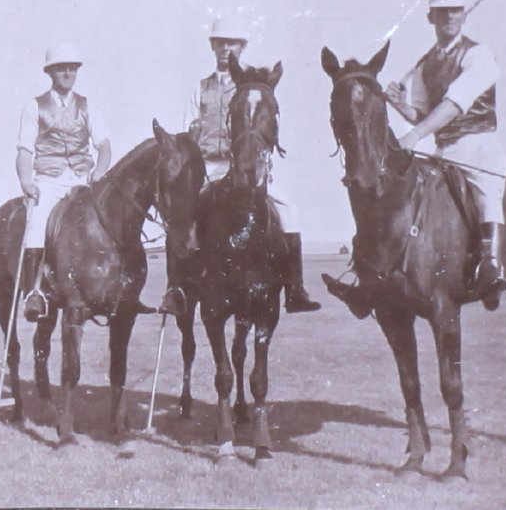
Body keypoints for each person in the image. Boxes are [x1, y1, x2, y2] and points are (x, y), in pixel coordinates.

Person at [325, 0, 506, 313]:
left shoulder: (478, 56)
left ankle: (491, 266)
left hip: (479, 146)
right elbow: (423, 113)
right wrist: (398, 104)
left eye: (454, 11)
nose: (448, 17)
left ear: (463, 15)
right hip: (444, 149)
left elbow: (453, 105)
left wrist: (414, 134)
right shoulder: (428, 64)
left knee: (485, 192)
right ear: (431, 19)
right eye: (441, 13)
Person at [160, 17, 321, 315]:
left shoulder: (254, 84)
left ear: (243, 46)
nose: (225, 48)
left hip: (249, 168)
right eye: (220, 43)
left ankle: (295, 288)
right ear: (212, 46)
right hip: (208, 167)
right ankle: (175, 290)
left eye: (231, 43)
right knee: (182, 219)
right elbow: (186, 131)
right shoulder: (200, 87)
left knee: (289, 211)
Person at [16, 42, 154, 321]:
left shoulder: (87, 106)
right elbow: (24, 151)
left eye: (72, 68)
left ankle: (124, 289)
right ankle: (34, 292)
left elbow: (103, 145)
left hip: (82, 178)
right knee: (37, 223)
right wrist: (26, 181)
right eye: (61, 69)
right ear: (51, 72)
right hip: (50, 179)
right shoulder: (34, 106)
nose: (68, 73)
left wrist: (100, 170)